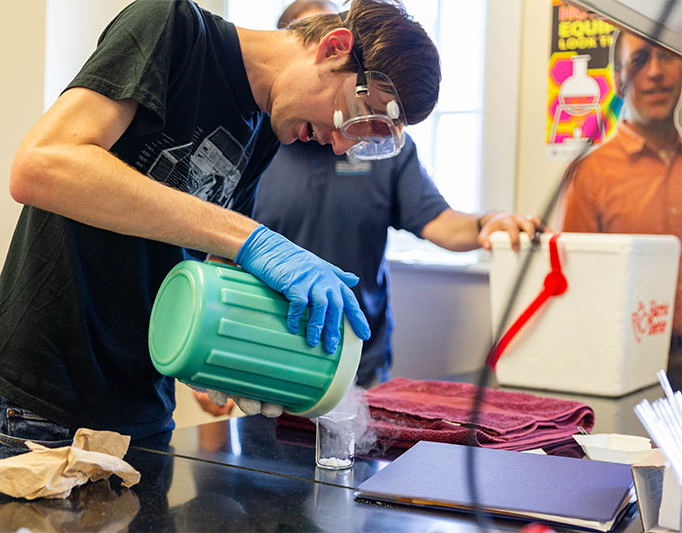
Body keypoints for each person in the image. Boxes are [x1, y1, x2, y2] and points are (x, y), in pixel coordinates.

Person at [0, 0, 443, 465]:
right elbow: (41, 166)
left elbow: (209, 261)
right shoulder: (171, 29)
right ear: (334, 48)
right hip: (43, 399)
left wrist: (240, 360)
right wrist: (252, 237)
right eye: (349, 117)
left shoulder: (262, 130)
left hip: (144, 405)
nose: (339, 144)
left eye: (361, 138)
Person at [192, 1, 546, 411]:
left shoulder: (385, 149)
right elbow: (214, 249)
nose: (342, 135)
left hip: (361, 362)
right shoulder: (255, 140)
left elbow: (440, 221)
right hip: (271, 358)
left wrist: (490, 222)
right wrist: (211, 351)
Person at [561, 28, 682, 385]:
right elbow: (574, 287)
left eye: (668, 56)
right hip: (625, 366)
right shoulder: (589, 172)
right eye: (640, 60)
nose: (656, 72)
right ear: (618, 80)